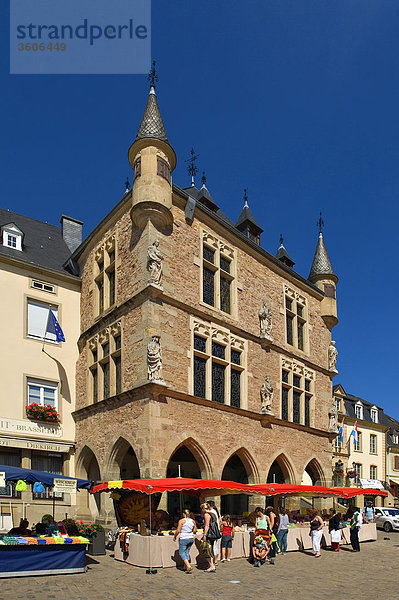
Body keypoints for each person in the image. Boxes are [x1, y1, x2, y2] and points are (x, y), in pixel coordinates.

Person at [174, 509, 197, 574]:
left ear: (183, 514)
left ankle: (188, 566)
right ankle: (185, 566)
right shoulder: (193, 521)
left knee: (181, 552)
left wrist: (175, 536)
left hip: (184, 537)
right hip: (190, 537)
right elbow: (195, 530)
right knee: (187, 551)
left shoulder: (181, 521)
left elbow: (178, 530)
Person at [201, 503, 220, 572]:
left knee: (207, 550)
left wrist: (204, 535)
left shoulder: (207, 515)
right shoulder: (213, 514)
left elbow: (207, 525)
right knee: (211, 549)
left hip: (209, 534)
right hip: (213, 534)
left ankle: (211, 565)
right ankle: (212, 565)